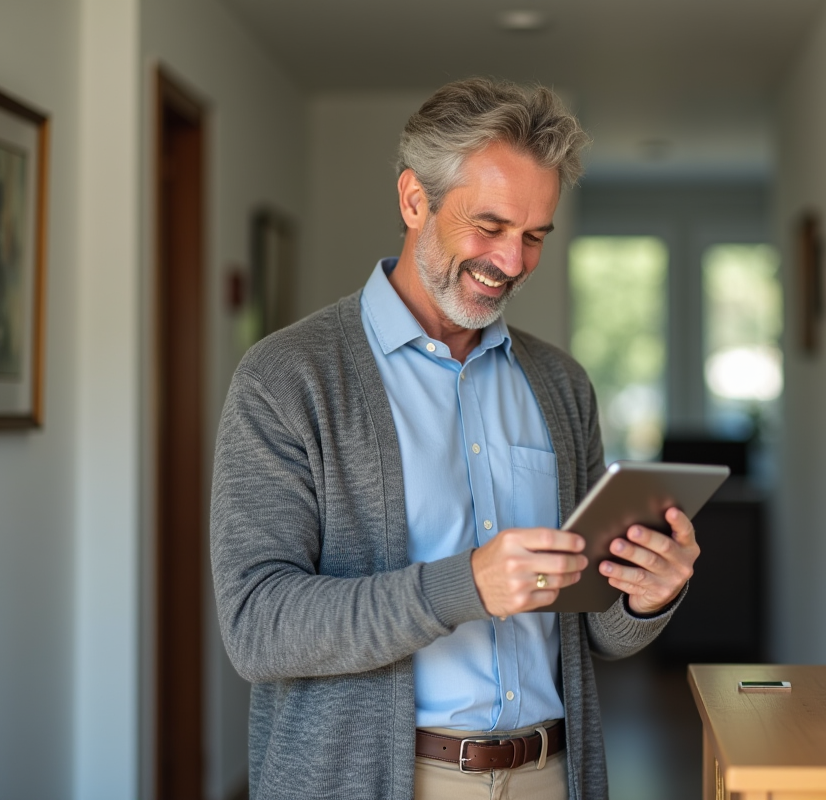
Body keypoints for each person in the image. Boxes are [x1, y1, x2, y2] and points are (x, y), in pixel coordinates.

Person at [210, 77, 701, 800]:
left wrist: (647, 596)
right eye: (491, 227)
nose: (512, 262)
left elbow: (598, 631)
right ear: (415, 200)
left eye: (534, 236)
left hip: (549, 776)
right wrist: (462, 586)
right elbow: (258, 626)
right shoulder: (288, 378)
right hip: (375, 779)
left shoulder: (561, 385)